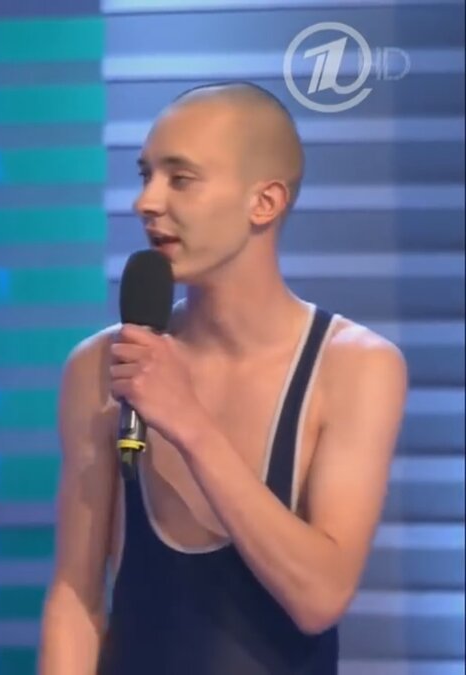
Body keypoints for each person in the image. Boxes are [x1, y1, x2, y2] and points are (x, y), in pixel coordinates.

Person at [37, 81, 408, 674]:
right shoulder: (100, 365)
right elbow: (75, 597)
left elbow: (319, 598)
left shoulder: (356, 365)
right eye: (145, 175)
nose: (146, 202)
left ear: (265, 202)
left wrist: (190, 424)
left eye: (180, 179)